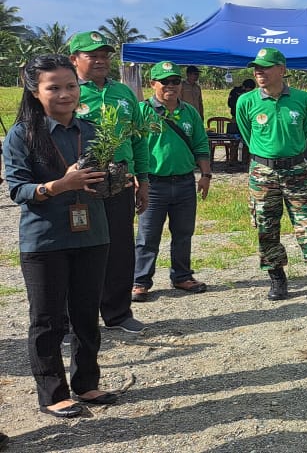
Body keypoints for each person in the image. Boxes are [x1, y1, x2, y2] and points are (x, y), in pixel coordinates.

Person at [3, 54, 118, 418]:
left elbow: (103, 177)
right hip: (46, 240)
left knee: (86, 314)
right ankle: (53, 393)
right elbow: (18, 190)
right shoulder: (23, 135)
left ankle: (86, 383)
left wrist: (113, 180)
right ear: (35, 91)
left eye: (71, 86)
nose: (65, 94)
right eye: (54, 88)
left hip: (92, 234)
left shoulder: (93, 131)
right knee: (49, 319)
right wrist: (60, 185)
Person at [234, 47, 307, 303]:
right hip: (262, 171)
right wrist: (267, 156)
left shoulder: (303, 99)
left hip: (296, 170)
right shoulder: (246, 101)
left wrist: (287, 153)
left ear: (281, 69)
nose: (258, 72)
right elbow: (247, 135)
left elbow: (303, 132)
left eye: (265, 67)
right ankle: (277, 278)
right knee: (266, 226)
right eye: (256, 68)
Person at [70, 30, 150, 334]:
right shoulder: (69, 91)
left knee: (120, 249)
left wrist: (143, 180)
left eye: (104, 55)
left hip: (120, 183)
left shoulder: (123, 93)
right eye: (92, 55)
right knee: (79, 251)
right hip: (81, 184)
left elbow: (138, 139)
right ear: (74, 59)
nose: (100, 60)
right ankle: (74, 319)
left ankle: (117, 313)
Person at [132, 62, 212, 302]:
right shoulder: (142, 111)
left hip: (185, 182)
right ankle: (140, 281)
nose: (171, 86)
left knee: (183, 233)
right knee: (148, 236)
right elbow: (131, 146)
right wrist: (136, 178)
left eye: (175, 81)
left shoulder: (189, 112)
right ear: (152, 84)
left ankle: (182, 276)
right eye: (164, 81)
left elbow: (200, 144)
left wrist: (206, 175)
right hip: (152, 184)